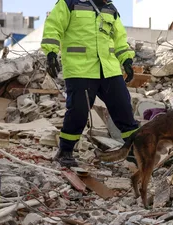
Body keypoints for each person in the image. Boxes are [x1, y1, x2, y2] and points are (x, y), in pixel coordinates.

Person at [41, 0, 139, 168]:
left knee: (124, 108)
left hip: (109, 69)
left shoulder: (110, 9)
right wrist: (50, 52)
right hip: (81, 68)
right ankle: (65, 152)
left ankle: (134, 151)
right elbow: (53, 26)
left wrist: (127, 60)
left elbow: (120, 39)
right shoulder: (70, 3)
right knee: (78, 111)